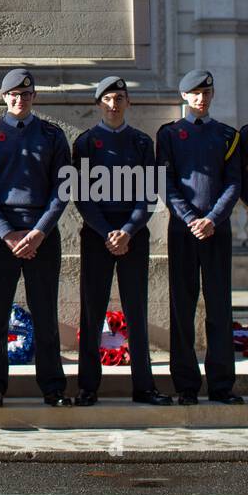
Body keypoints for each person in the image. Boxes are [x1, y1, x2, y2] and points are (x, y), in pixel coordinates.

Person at [0, 68, 71, 407]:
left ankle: (53, 387)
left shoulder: (52, 136)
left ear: (34, 97)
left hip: (41, 234)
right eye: (13, 94)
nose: (19, 99)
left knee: (45, 314)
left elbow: (63, 189)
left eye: (26, 94)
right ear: (4, 97)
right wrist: (6, 233)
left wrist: (38, 232)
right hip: (1, 236)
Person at [73, 75, 170, 406]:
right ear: (99, 103)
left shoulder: (143, 143)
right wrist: (106, 232)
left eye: (120, 98)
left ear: (128, 103)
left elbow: (149, 194)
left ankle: (144, 386)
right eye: (108, 99)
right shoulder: (85, 143)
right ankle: (88, 387)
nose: (114, 104)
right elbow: (82, 196)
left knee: (136, 310)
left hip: (133, 237)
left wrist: (127, 231)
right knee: (92, 311)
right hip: (97, 236)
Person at [156, 69, 243, 404]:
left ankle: (222, 384)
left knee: (219, 308)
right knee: (183, 308)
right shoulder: (170, 135)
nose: (201, 99)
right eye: (195, 94)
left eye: (206, 93)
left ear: (212, 96)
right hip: (183, 231)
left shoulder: (226, 136)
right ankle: (187, 385)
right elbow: (166, 182)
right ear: (184, 97)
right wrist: (192, 219)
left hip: (216, 232)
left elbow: (233, 183)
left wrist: (212, 219)